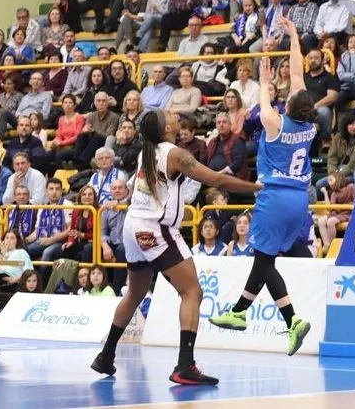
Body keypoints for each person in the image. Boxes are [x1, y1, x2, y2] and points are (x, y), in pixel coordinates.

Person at [90, 109, 261, 385]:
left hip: (133, 226)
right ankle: (185, 365)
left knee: (134, 294)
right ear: (165, 128)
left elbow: (134, 189)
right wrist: (255, 187)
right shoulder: (175, 154)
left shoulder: (148, 152)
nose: (172, 113)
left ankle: (106, 356)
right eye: (167, 114)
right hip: (156, 228)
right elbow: (216, 180)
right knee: (192, 290)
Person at [208, 16, 315, 357]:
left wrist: (263, 77)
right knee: (263, 259)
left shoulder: (275, 123)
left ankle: (290, 320)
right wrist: (295, 36)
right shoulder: (309, 126)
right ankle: (240, 313)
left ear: (288, 105)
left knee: (265, 262)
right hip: (300, 201)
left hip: (275, 196)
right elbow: (297, 74)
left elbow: (266, 102)